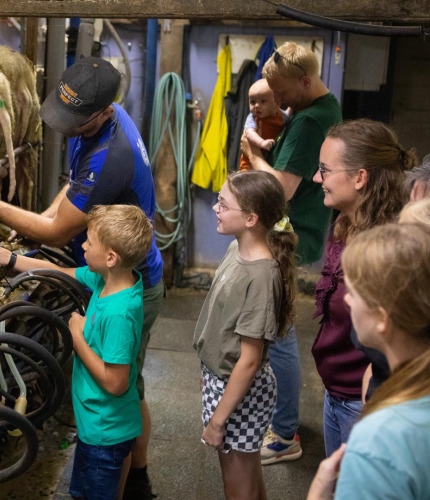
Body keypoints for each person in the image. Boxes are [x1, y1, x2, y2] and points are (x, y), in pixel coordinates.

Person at [0, 56, 164, 498]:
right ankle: (133, 474)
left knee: (122, 386)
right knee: (130, 387)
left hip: (139, 286)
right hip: (112, 274)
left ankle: (131, 482)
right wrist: (36, 218)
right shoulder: (99, 122)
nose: (66, 126)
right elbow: (74, 190)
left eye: (75, 120)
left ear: (104, 113)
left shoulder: (113, 157)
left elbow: (58, 232)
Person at [0, 204, 154, 500]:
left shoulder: (119, 313)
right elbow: (60, 271)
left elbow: (116, 382)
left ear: (111, 257)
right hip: (95, 426)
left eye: (89, 242)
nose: (82, 245)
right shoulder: (106, 280)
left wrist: (77, 337)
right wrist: (5, 257)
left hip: (105, 432)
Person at [240, 41, 342, 465]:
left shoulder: (307, 123)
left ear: (305, 80)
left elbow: (278, 191)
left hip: (289, 231)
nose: (277, 101)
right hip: (300, 229)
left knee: (277, 334)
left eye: (281, 93)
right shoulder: (323, 106)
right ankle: (277, 421)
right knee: (272, 329)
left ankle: (284, 435)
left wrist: (249, 151)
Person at [311, 119, 416, 457]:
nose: (317, 179)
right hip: (335, 393)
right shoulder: (344, 224)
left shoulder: (390, 250)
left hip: (364, 401)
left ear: (360, 177)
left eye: (325, 170)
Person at [193, 170, 298, 499]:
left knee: (237, 487)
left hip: (239, 391)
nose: (215, 208)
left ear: (251, 218)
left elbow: (249, 361)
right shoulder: (236, 250)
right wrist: (209, 369)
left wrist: (217, 422)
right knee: (248, 479)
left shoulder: (261, 278)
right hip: (223, 380)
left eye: (223, 204)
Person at [307, 223, 430, 500]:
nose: (347, 300)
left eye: (355, 292)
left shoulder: (379, 441)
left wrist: (317, 495)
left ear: (383, 318)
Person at [238, 79, 288, 171]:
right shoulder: (253, 117)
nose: (256, 106)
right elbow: (249, 133)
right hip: (250, 164)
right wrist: (261, 142)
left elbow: (289, 119)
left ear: (277, 103)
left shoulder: (282, 115)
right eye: (252, 102)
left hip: (269, 161)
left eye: (263, 101)